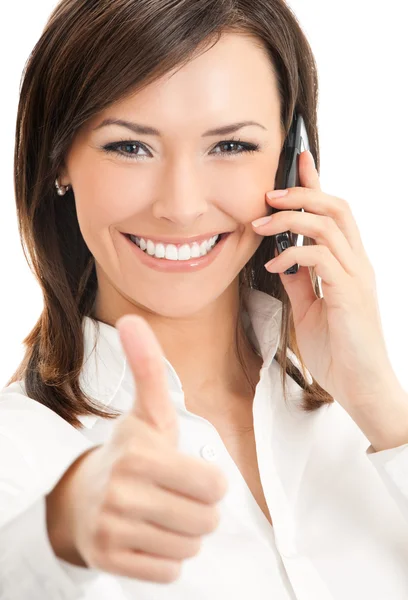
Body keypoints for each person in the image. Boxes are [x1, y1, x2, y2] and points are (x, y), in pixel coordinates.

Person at [1, 0, 408, 598]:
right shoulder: (23, 460)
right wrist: (56, 536)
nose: (181, 204)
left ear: (290, 161)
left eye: (231, 146)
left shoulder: (372, 427)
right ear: (59, 159)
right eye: (129, 147)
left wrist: (382, 407)